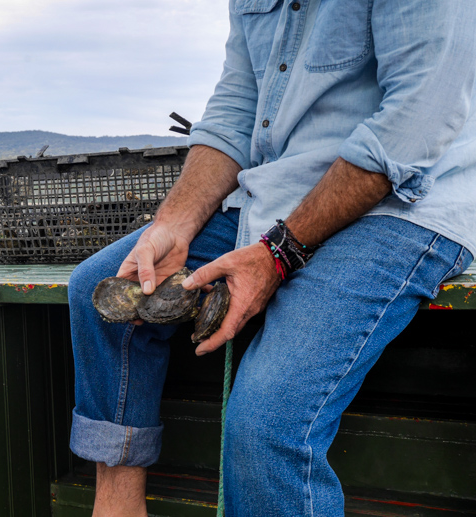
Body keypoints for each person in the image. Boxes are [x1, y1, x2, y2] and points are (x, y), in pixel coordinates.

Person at [68, 1, 476, 515]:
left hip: (401, 203)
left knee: (266, 423)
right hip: (277, 195)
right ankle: (118, 504)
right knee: (99, 289)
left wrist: (277, 253)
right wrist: (173, 223)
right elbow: (236, 108)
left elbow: (417, 117)